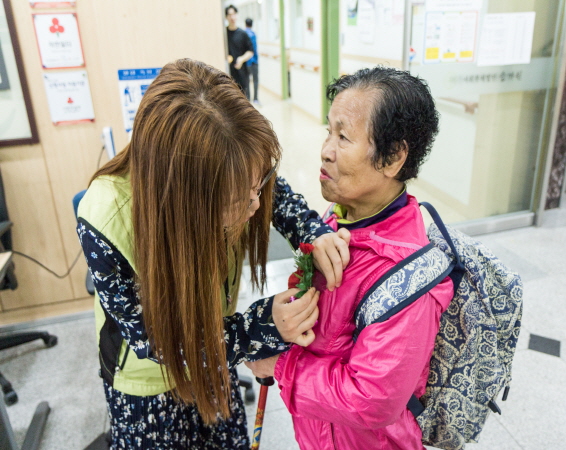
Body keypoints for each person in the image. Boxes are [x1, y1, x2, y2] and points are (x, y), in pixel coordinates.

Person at [76, 59, 350, 449]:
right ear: (184, 197)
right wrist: (259, 327)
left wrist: (313, 231)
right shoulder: (105, 216)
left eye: (258, 186)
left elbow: (270, 190)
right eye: (237, 200)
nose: (255, 205)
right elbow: (157, 342)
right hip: (147, 383)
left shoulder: (233, 171)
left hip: (215, 355)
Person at [245, 66, 454, 449]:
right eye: (329, 131)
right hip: (323, 433)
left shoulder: (407, 278)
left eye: (344, 136)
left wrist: (279, 366)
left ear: (393, 158)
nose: (325, 150)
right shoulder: (341, 217)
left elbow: (371, 399)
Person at [225, 5, 253, 99]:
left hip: (242, 73)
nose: (232, 17)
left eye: (234, 14)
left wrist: (241, 59)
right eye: (229, 15)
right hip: (227, 73)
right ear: (226, 17)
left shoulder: (242, 34)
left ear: (236, 15)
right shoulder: (224, 33)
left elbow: (250, 51)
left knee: (244, 99)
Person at [245, 18, 260, 106]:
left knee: (247, 82)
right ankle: (255, 99)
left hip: (246, 62)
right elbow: (254, 49)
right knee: (255, 81)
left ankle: (248, 100)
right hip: (254, 61)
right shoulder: (253, 34)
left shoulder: (243, 33)